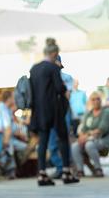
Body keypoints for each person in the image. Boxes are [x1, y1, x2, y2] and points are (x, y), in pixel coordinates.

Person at [29, 38, 80, 186]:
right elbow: (59, 88)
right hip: (55, 109)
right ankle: (66, 171)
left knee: (43, 141)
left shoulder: (34, 68)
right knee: (63, 138)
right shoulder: (53, 68)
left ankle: (42, 174)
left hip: (39, 111)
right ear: (53, 53)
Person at [71, 92, 109, 177]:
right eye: (93, 99)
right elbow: (83, 128)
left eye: (98, 99)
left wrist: (86, 136)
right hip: (90, 139)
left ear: (101, 100)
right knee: (75, 146)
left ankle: (98, 168)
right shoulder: (89, 113)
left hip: (104, 139)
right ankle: (80, 170)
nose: (96, 101)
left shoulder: (106, 112)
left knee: (89, 145)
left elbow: (101, 129)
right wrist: (82, 137)